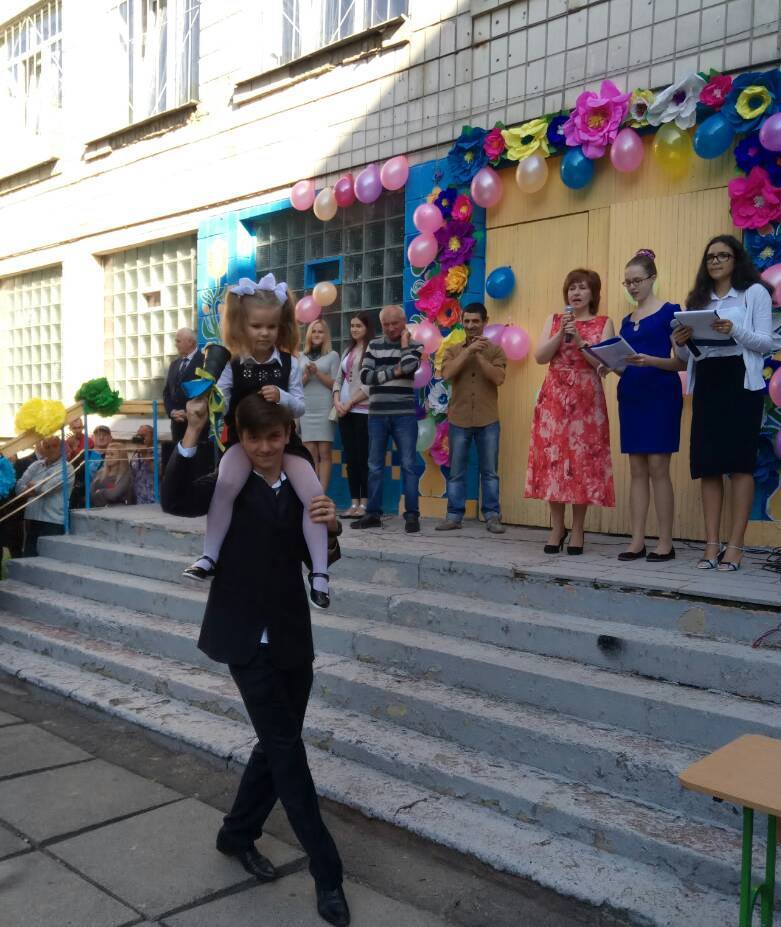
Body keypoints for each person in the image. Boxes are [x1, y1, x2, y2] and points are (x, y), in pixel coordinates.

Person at [161, 393, 350, 927]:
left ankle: (236, 833)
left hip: (291, 633)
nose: (265, 448)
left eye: (274, 437)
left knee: (276, 744)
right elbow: (176, 500)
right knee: (287, 751)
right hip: (243, 635)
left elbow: (315, 552)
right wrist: (192, 434)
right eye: (253, 438)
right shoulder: (230, 476)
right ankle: (327, 872)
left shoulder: (300, 479)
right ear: (239, 438)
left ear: (287, 434)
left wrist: (333, 526)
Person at [183, 275, 331, 610]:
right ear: (241, 325)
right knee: (225, 484)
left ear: (281, 326)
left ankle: (320, 573)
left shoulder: (290, 363)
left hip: (283, 443)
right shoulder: (231, 364)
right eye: (257, 326)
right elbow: (222, 399)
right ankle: (209, 555)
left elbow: (300, 406)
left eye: (271, 327)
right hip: (242, 442)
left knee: (313, 494)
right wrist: (209, 401)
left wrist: (282, 397)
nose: (264, 333)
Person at [673, 234, 781, 572]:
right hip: (708, 379)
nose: (716, 261)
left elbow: (766, 343)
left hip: (740, 381)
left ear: (736, 259)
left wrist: (734, 330)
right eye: (710, 257)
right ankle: (711, 544)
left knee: (739, 465)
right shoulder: (698, 299)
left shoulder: (755, 292)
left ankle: (735, 546)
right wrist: (679, 342)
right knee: (708, 464)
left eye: (723, 255)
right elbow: (685, 357)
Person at [525, 268, 615, 555]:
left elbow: (604, 364)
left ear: (593, 293)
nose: (576, 293)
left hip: (586, 401)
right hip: (554, 397)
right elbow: (540, 357)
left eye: (582, 287)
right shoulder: (554, 320)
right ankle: (557, 527)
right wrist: (560, 334)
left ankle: (577, 529)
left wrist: (579, 340)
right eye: (572, 288)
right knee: (553, 461)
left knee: (582, 463)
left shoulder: (604, 323)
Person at [610, 250, 684, 562]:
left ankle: (665, 542)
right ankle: (637, 540)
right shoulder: (626, 322)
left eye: (637, 280)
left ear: (653, 278)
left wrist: (651, 360)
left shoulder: (671, 312)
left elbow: (681, 363)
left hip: (661, 394)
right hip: (632, 395)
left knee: (658, 468)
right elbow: (625, 366)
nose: (632, 287)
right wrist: (609, 364)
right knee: (637, 469)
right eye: (627, 282)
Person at [437, 302, 507, 533]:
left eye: (475, 321)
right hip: (459, 419)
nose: (470, 325)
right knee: (456, 471)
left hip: (488, 419)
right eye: (466, 321)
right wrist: (468, 351)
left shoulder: (495, 351)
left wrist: (479, 356)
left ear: (485, 322)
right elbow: (447, 374)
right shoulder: (453, 350)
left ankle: (492, 516)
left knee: (489, 472)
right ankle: (454, 516)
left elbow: (498, 378)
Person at [352, 304, 423, 533]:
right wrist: (394, 372)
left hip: (404, 415)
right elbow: (365, 376)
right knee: (374, 466)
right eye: (386, 324)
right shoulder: (374, 345)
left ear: (404, 321)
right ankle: (373, 514)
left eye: (395, 323)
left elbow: (410, 366)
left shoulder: (415, 345)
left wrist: (404, 346)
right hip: (377, 415)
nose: (391, 328)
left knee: (409, 465)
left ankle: (412, 516)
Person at [332, 312, 373, 519]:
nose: (354, 329)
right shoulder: (348, 350)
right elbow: (338, 379)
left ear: (367, 328)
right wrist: (337, 400)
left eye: (358, 326)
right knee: (350, 459)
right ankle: (354, 502)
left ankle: (365, 504)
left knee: (362, 458)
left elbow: (369, 384)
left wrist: (349, 403)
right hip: (344, 412)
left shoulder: (371, 350)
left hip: (362, 411)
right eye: (352, 326)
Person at [14, 436, 74, 556]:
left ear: (61, 448)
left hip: (53, 521)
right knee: (29, 557)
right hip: (32, 518)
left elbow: (47, 488)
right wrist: (35, 487)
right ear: (42, 449)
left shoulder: (67, 468)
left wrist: (32, 486)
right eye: (47, 447)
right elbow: (19, 487)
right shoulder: (35, 465)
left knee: (49, 558)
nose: (50, 450)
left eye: (54, 446)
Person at [301, 319, 340, 492]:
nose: (317, 334)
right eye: (314, 331)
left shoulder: (333, 355)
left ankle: (321, 493)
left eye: (320, 331)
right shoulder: (300, 356)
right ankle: (312, 492)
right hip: (306, 409)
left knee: (324, 453)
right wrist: (307, 376)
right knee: (310, 454)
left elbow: (336, 384)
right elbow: (296, 386)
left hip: (324, 408)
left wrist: (317, 373)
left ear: (326, 335)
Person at [162, 328, 204, 471]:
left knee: (195, 468)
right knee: (179, 467)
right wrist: (172, 411)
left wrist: (189, 413)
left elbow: (207, 392)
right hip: (177, 425)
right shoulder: (174, 364)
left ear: (190, 342)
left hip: (197, 425)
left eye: (178, 341)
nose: (176, 344)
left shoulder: (204, 362)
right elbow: (167, 392)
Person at [90, 442, 134, 507]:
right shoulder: (100, 472)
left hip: (121, 510)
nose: (108, 457)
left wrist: (100, 492)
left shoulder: (126, 474)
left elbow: (113, 495)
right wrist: (106, 494)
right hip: (101, 509)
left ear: (120, 456)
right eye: (107, 454)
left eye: (112, 454)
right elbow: (92, 494)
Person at [130, 425, 157, 504]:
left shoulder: (158, 452)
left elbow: (158, 471)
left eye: (143, 435)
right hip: (138, 500)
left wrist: (145, 454)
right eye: (138, 435)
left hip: (153, 500)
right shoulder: (135, 454)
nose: (140, 438)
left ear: (153, 437)